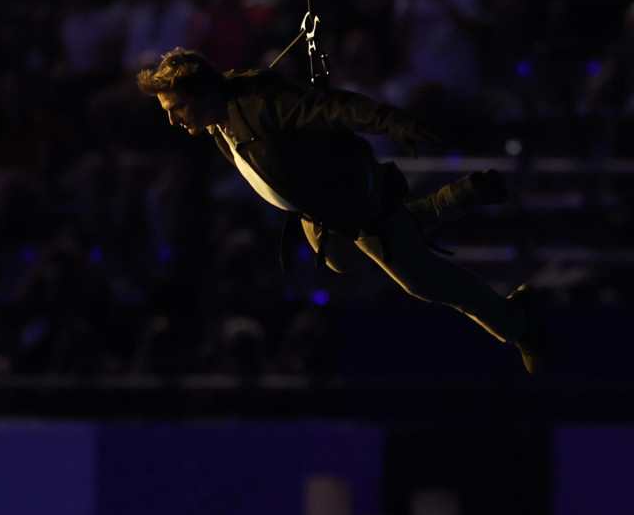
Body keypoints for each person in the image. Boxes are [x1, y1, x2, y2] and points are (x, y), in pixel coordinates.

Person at [136, 47, 552, 374]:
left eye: (177, 109)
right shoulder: (215, 125)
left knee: (425, 282)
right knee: (338, 258)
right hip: (321, 217)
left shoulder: (261, 105)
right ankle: (444, 203)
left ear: (203, 94)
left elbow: (331, 106)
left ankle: (519, 322)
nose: (173, 121)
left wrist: (394, 123)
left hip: (357, 201)